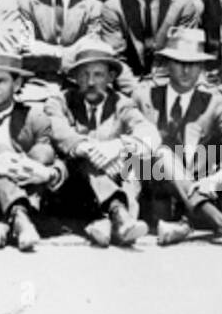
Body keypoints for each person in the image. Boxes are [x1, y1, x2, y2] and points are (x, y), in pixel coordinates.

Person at [129, 29, 222, 249]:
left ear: (201, 67)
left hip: (196, 187)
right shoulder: (144, 97)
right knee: (162, 155)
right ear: (167, 64)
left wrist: (221, 176)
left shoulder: (213, 102)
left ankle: (185, 225)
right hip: (153, 189)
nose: (186, 70)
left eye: (193, 64)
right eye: (179, 63)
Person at [44, 39, 157, 247]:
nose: (90, 82)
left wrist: (116, 147)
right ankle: (118, 216)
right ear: (75, 77)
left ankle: (108, 223)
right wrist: (88, 148)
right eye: (84, 75)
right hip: (76, 187)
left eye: (98, 75)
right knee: (82, 159)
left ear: (111, 77)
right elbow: (58, 130)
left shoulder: (122, 103)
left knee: (135, 163)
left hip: (115, 177)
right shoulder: (61, 101)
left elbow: (149, 133)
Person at [0, 52, 64, 251]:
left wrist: (36, 169)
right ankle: (19, 220)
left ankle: (6, 224)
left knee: (43, 152)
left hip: (26, 185)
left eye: (1, 81)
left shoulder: (35, 117)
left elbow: (49, 158)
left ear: (16, 84)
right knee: (1, 150)